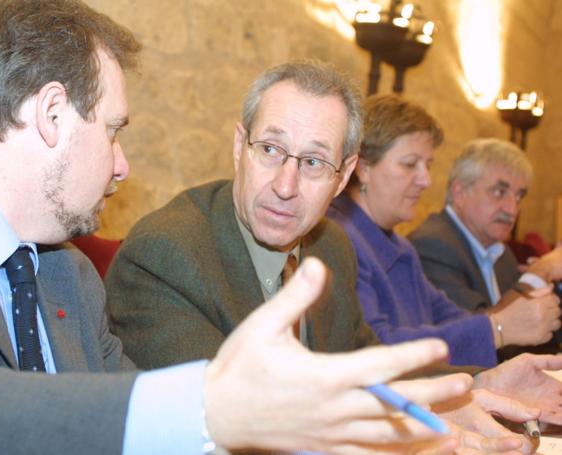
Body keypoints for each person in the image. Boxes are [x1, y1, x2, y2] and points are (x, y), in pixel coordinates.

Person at [0, 1, 478, 454]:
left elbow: (143, 421)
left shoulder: (66, 273)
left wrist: (452, 405)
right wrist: (207, 407)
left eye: (312, 162)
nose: (122, 164)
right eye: (113, 131)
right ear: (52, 115)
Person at [106, 63, 562, 453]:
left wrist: (475, 384)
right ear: (238, 145)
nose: (285, 186)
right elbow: (237, 419)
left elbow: (367, 360)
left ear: (343, 177)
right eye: (269, 150)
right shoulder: (165, 254)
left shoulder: (329, 246)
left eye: (313, 163)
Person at [326, 94, 560, 368]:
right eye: (410, 164)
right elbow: (373, 350)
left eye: (428, 165)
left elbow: (450, 317)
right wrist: (498, 328)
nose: (426, 180)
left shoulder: (401, 246)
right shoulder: (335, 238)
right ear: (363, 167)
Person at [409, 138, 562, 356]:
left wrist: (549, 284)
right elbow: (474, 335)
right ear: (460, 192)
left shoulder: (499, 250)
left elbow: (537, 332)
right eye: (499, 192)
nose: (512, 209)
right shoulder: (433, 245)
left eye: (519, 196)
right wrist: (539, 272)